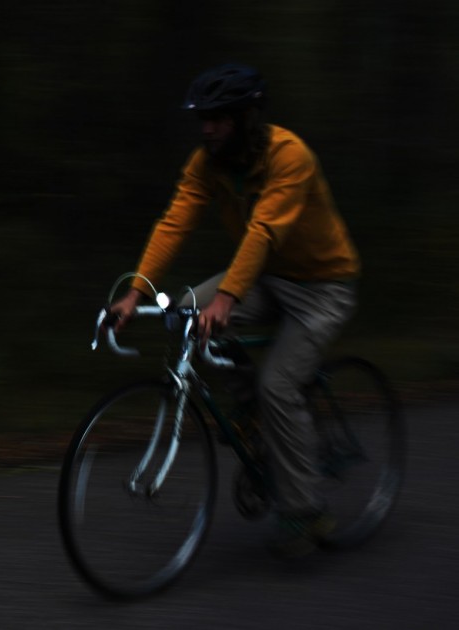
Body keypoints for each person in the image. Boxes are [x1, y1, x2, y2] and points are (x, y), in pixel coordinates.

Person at [109, 63, 361, 558]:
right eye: (203, 118)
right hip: (268, 278)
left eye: (219, 118)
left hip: (323, 286)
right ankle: (253, 414)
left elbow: (264, 230)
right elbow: (174, 223)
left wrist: (226, 298)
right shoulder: (207, 163)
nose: (207, 128)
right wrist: (136, 292)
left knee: (279, 386)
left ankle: (305, 510)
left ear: (247, 117)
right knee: (187, 312)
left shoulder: (290, 155)